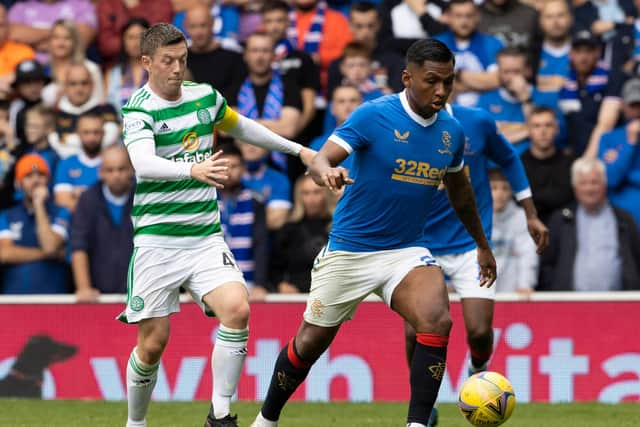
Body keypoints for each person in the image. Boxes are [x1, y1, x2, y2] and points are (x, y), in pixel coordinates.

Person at [250, 38, 497, 427]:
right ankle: (266, 420)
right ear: (406, 78)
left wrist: (482, 245)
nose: (441, 91)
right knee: (309, 344)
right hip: (351, 249)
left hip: (405, 251)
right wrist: (326, 171)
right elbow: (321, 157)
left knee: (437, 319)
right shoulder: (373, 115)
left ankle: (417, 423)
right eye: (432, 81)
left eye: (448, 82)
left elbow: (461, 194)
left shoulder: (451, 132)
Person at [118, 23, 315, 427]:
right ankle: (135, 423)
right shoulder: (138, 109)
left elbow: (243, 127)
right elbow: (143, 162)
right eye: (167, 61)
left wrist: (300, 150)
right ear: (146, 63)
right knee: (152, 345)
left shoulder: (205, 97)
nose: (176, 68)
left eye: (182, 60)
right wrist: (193, 168)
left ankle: (220, 414)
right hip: (157, 241)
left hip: (204, 237)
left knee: (237, 310)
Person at [403, 102, 547, 427]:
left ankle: (477, 375)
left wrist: (531, 213)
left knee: (480, 331)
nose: (437, 89)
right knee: (415, 332)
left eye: (445, 81)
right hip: (420, 243)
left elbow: (509, 158)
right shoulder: (401, 127)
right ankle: (422, 408)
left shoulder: (477, 122)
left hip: (472, 244)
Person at [538, 157, 640, 291]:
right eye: (583, 183)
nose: (589, 189)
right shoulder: (561, 219)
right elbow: (547, 264)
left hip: (618, 305)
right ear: (575, 187)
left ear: (604, 185)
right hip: (569, 305)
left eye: (594, 182)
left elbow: (636, 259)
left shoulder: (623, 219)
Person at [71, 145, 134, 301]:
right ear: (101, 172)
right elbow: (79, 246)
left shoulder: (145, 198)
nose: (116, 175)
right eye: (110, 170)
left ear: (132, 169)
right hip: (99, 297)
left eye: (121, 169)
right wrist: (84, 288)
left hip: (141, 295)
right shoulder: (87, 200)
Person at [0, 153, 70, 294]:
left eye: (41, 175)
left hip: (55, 300)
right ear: (18, 183)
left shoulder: (62, 212)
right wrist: (49, 254)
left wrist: (38, 205)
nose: (36, 180)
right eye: (28, 176)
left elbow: (49, 246)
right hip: (14, 300)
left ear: (48, 180)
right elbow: (5, 254)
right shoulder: (6, 215)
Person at [216, 142, 270, 299]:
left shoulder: (255, 201)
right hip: (210, 283)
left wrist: (260, 284)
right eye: (223, 166)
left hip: (247, 284)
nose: (229, 172)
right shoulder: (203, 201)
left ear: (243, 168)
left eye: (234, 166)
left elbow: (261, 245)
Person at [270, 174, 333, 293]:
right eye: (306, 193)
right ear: (299, 196)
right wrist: (280, 284)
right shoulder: (289, 229)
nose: (311, 199)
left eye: (317, 192)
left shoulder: (339, 227)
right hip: (296, 297)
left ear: (326, 194)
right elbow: (274, 268)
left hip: (332, 294)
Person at [434, 0, 503, 107]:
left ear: (477, 16)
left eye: (469, 16)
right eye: (458, 16)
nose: (464, 21)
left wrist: (458, 74)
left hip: (486, 111)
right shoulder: (435, 44)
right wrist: (478, 81)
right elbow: (434, 86)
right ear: (448, 17)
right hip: (448, 112)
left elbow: (495, 80)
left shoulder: (492, 44)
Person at [598, 77, 640, 229]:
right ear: (623, 105)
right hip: (620, 219)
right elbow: (610, 179)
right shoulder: (608, 138)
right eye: (633, 105)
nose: (637, 111)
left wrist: (621, 163)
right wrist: (630, 143)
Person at [520, 106, 574, 224]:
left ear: (557, 129)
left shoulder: (570, 162)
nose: (543, 132)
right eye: (537, 126)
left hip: (565, 225)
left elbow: (567, 197)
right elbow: (520, 202)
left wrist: (535, 197)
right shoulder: (518, 165)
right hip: (527, 229)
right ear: (528, 130)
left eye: (548, 125)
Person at [489, 169, 538, 294]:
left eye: (505, 188)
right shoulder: (474, 217)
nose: (499, 194)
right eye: (494, 188)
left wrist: (525, 283)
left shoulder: (522, 217)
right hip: (480, 292)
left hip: (512, 293)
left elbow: (528, 254)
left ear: (512, 191)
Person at [184, 4, 245, 98]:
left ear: (212, 24)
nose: (198, 32)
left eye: (203, 25)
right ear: (186, 27)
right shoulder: (181, 59)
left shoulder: (233, 58)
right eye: (193, 26)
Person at [53, 110, 104, 213]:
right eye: (86, 132)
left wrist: (81, 194)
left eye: (96, 132)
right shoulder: (66, 164)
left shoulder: (114, 163)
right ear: (78, 133)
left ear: (103, 133)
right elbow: (62, 201)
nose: (91, 137)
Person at [105, 18, 150, 115]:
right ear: (123, 41)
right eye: (130, 37)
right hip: (120, 126)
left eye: (140, 37)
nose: (136, 43)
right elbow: (108, 107)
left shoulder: (159, 70)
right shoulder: (113, 73)